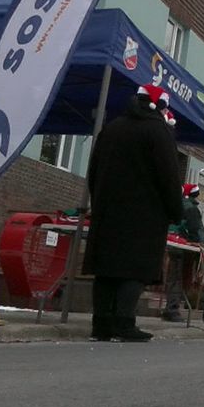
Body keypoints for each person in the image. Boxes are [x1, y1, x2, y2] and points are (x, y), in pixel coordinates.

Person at [83, 85, 183, 342]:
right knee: (134, 269)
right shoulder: (158, 132)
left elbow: (93, 169)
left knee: (106, 269)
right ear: (159, 106)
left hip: (107, 212)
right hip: (144, 215)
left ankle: (101, 325)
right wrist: (175, 210)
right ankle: (124, 324)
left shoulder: (112, 128)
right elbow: (169, 176)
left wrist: (99, 200)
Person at [162, 183, 204, 322]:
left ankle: (170, 306)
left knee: (172, 276)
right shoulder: (191, 209)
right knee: (179, 277)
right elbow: (194, 229)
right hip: (184, 247)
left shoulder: (177, 204)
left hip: (173, 243)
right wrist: (197, 244)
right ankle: (172, 309)